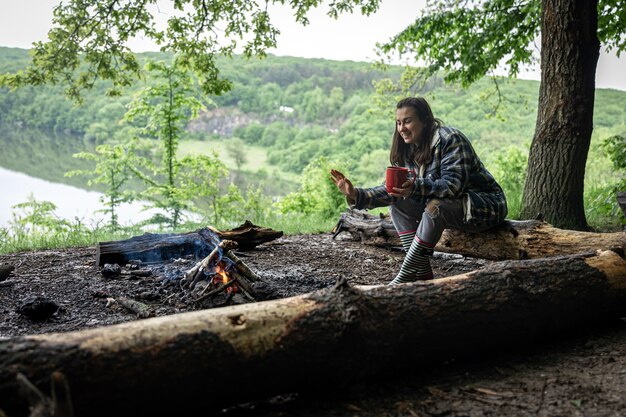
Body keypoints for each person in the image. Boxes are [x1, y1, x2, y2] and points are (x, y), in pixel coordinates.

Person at [331, 96, 507, 284]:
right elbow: (392, 190)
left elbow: (453, 186)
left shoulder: (450, 139)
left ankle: (405, 275)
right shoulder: (409, 149)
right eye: (398, 123)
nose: (402, 128)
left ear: (425, 120)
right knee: (397, 203)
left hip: (483, 207)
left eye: (407, 121)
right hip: (452, 210)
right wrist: (355, 194)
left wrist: (415, 188)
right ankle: (422, 276)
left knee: (435, 206)